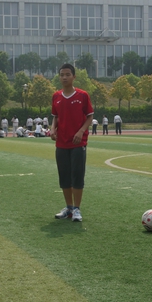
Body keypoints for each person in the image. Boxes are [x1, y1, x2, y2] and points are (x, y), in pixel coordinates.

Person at [51, 63, 94, 223]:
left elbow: (89, 116)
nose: (64, 77)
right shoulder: (56, 96)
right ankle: (68, 207)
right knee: (64, 176)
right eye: (62, 74)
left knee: (77, 175)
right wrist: (53, 129)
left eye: (67, 74)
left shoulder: (82, 96)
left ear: (74, 77)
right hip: (61, 143)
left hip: (78, 143)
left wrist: (81, 131)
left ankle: (77, 209)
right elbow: (55, 116)